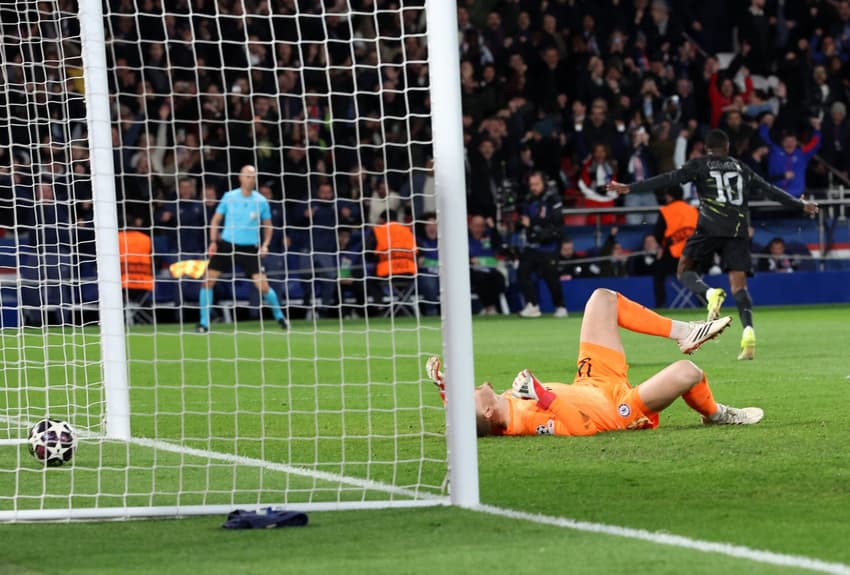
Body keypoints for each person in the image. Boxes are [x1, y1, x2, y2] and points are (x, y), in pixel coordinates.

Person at [426, 289, 760, 437]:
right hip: (618, 410)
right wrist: (541, 394)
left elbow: (468, 422)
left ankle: (685, 332)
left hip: (593, 381)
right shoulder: (523, 422)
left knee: (602, 299)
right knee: (687, 372)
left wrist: (443, 388)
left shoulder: (500, 406)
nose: (468, 388)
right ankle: (717, 414)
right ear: (486, 413)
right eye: (466, 396)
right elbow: (582, 429)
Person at [607, 130, 819, 360]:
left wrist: (630, 188)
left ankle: (709, 294)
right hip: (737, 229)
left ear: (708, 148)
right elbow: (768, 189)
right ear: (727, 148)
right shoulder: (740, 168)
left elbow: (669, 178)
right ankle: (748, 331)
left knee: (684, 270)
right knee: (739, 286)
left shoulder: (700, 164)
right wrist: (800, 204)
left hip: (709, 227)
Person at [196, 165, 288, 333]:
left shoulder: (261, 201)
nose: (250, 179)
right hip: (227, 245)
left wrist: (265, 244)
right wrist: (213, 241)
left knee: (263, 286)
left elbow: (268, 226)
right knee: (207, 282)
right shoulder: (229, 197)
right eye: (247, 176)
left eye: (253, 176)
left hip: (249, 249)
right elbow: (215, 220)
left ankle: (280, 317)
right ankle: (204, 323)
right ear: (240, 177)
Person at [517, 172, 567, 318]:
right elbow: (524, 221)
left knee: (551, 277)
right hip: (532, 245)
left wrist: (532, 224)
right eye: (531, 185)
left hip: (549, 246)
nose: (533, 188)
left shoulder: (553, 199)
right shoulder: (529, 200)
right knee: (522, 272)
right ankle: (532, 304)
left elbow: (556, 224)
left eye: (536, 184)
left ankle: (560, 306)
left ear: (544, 183)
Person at [652, 186, 699, 308]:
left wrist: (662, 247)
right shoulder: (693, 210)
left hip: (672, 256)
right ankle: (703, 302)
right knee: (695, 276)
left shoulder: (665, 211)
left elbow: (658, 234)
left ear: (670, 196)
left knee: (658, 276)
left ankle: (660, 305)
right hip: (693, 257)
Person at [468, 215, 506, 316]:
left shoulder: (489, 237)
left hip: (490, 270)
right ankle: (489, 307)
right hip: (473, 271)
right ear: (470, 226)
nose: (479, 229)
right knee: (480, 279)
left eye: (481, 226)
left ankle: (490, 307)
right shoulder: (465, 239)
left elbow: (499, 244)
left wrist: (493, 227)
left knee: (498, 279)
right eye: (476, 225)